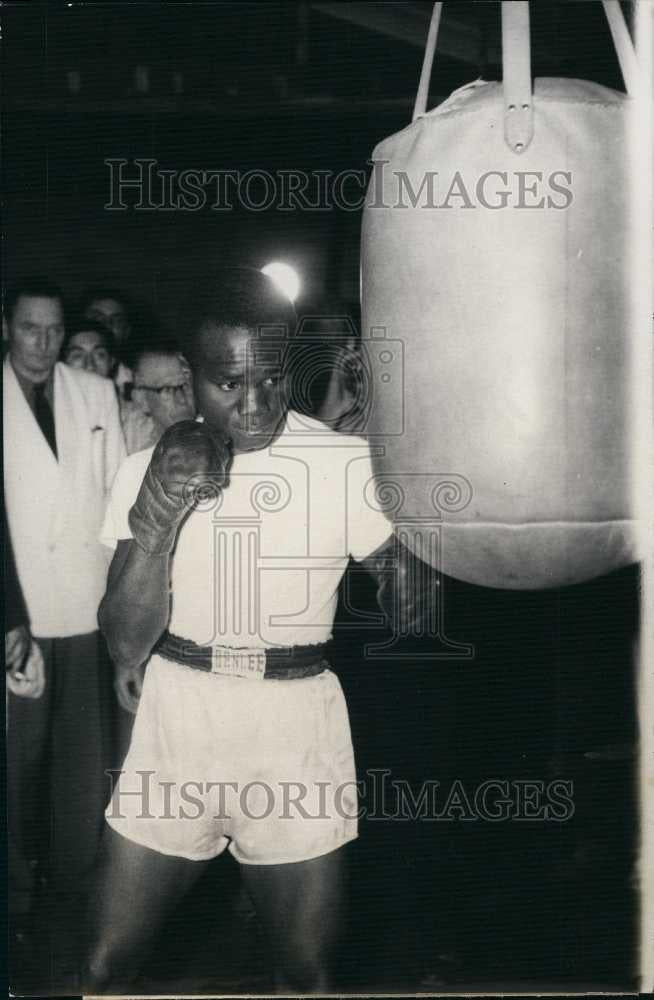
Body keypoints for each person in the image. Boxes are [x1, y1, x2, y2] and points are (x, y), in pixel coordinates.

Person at [85, 267, 435, 993]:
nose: (255, 403)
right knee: (106, 965)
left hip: (296, 727)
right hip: (179, 721)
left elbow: (420, 613)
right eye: (229, 383)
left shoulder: (342, 464)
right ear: (191, 374)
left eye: (272, 379)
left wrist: (421, 551)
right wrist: (160, 513)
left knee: (306, 974)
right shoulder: (141, 470)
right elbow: (123, 642)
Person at [3, 279, 126, 932]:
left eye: (53, 329)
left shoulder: (97, 393)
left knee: (82, 762)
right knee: (17, 763)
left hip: (85, 604)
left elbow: (115, 506)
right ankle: (15, 895)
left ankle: (78, 890)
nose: (44, 343)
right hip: (18, 608)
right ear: (7, 327)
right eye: (30, 328)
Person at [122, 339, 196, 454]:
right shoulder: (139, 465)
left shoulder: (222, 444)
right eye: (167, 390)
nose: (182, 399)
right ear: (142, 400)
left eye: (185, 385)